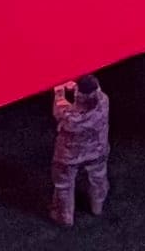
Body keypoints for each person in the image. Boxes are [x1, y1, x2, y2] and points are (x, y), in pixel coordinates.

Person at [49, 75, 111, 227]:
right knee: (99, 178)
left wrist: (59, 91)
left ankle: (64, 216)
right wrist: (76, 87)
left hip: (70, 156)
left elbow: (59, 108)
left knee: (64, 185)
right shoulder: (104, 102)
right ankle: (97, 206)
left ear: (79, 96)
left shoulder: (70, 116)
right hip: (98, 150)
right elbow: (94, 92)